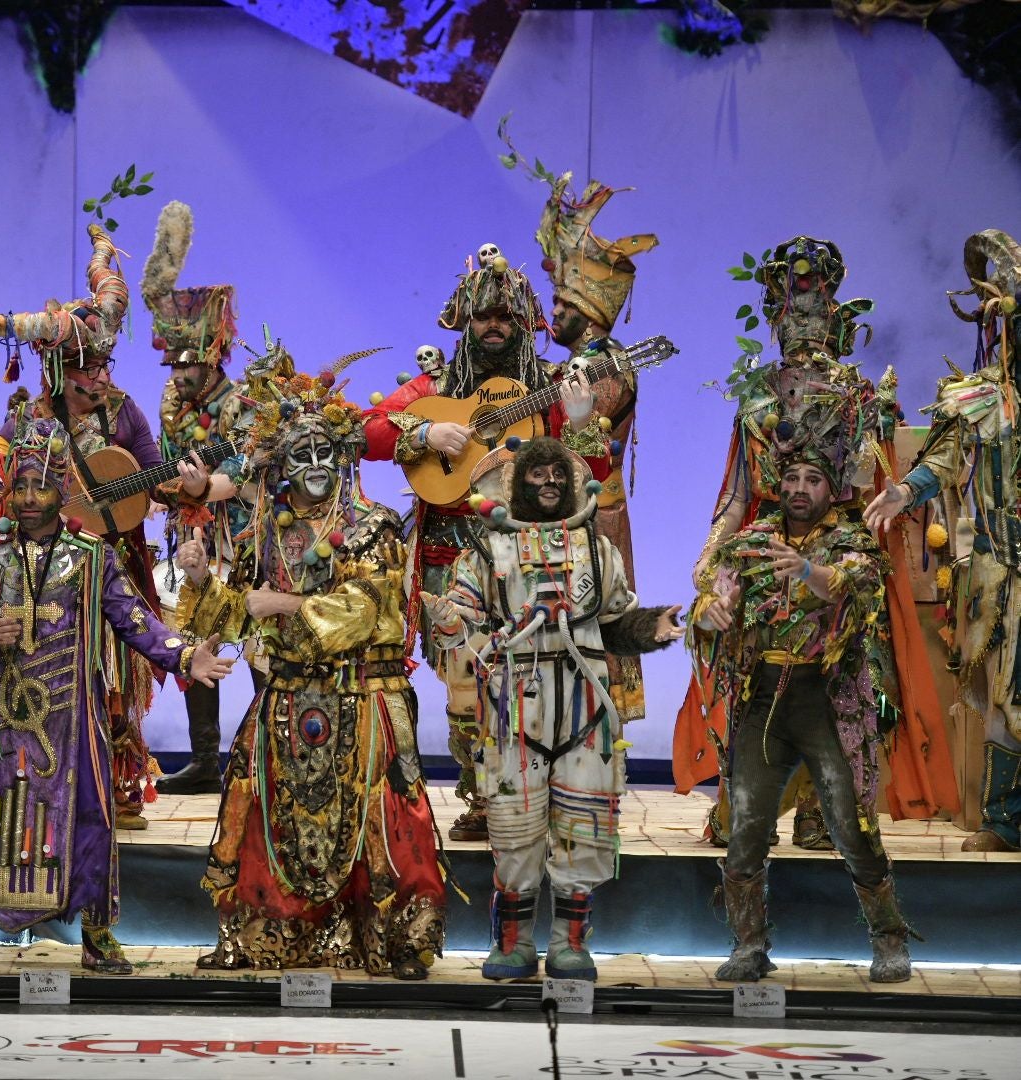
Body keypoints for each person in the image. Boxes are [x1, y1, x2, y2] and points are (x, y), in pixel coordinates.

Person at [0, 416, 233, 974]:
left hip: (68, 712)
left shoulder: (90, 556)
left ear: (64, 489)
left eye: (42, 485)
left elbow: (134, 618)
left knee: (88, 811)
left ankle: (97, 933)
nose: (30, 498)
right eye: (21, 486)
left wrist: (185, 656)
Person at [675, 236, 956, 848]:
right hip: (766, 547)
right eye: (791, 312)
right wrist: (711, 557)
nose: (802, 322)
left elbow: (871, 485)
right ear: (776, 319)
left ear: (836, 321)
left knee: (846, 682)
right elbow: (736, 494)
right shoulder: (756, 402)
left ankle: (822, 806)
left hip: (838, 551)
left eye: (814, 310)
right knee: (751, 674)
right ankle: (749, 805)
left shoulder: (860, 398)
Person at [177, 358, 447, 980]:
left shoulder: (374, 526)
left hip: (363, 695)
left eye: (328, 452)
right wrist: (200, 581)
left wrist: (284, 605)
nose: (318, 466)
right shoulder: (264, 535)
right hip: (288, 697)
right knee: (267, 809)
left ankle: (395, 941)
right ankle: (276, 936)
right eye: (303, 455)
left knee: (384, 819)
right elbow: (239, 610)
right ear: (278, 467)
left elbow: (373, 609)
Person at [0, 223, 212, 829]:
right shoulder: (29, 422)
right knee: (59, 677)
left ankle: (119, 781)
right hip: (45, 577)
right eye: (87, 371)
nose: (100, 379)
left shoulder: (127, 413)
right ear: (59, 372)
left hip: (116, 560)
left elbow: (155, 475)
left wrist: (184, 485)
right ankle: (45, 781)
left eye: (104, 366)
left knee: (120, 668)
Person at [364, 247, 603, 842]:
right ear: (464, 322)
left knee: (542, 679)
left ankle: (545, 798)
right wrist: (424, 430)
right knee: (467, 688)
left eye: (506, 317)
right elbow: (361, 432)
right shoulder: (434, 386)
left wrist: (577, 422)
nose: (493, 326)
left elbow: (592, 465)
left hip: (535, 556)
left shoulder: (550, 386)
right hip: (453, 554)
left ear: (525, 323)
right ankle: (481, 800)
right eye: (482, 316)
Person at [423, 437, 681, 981]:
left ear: (571, 482)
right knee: (514, 834)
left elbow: (615, 621)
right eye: (536, 475)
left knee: (582, 834)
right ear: (518, 485)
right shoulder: (489, 553)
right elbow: (461, 620)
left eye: (557, 475)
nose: (547, 484)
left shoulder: (596, 551)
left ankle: (570, 945)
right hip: (516, 713)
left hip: (585, 713)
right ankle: (513, 945)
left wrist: (654, 628)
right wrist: (447, 620)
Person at [697, 446, 914, 983]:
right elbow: (711, 605)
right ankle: (749, 945)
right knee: (745, 826)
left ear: (831, 486)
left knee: (852, 826)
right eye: (791, 476)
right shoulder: (750, 544)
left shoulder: (853, 542)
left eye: (812, 478)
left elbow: (856, 590)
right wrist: (713, 612)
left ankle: (890, 940)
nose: (799, 487)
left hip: (828, 698)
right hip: (764, 698)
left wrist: (809, 570)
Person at [867, 228, 1021, 852]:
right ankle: (1007, 820)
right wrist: (906, 491)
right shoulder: (987, 400)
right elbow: (949, 454)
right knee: (1002, 692)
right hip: (1000, 565)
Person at [534, 167, 658, 722]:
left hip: (591, 517)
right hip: (560, 512)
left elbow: (584, 451)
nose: (551, 314)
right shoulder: (573, 366)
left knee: (592, 620)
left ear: (586, 313)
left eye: (561, 307)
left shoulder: (606, 366)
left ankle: (601, 742)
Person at [143, 201, 246, 795]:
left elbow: (241, 465)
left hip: (239, 530)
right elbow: (163, 459)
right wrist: (161, 491)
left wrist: (204, 488)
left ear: (212, 360)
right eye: (173, 364)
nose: (179, 375)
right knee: (193, 634)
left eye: (190, 366)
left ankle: (264, 745)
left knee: (255, 639)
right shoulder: (169, 399)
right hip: (188, 534)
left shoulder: (239, 405)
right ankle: (206, 758)